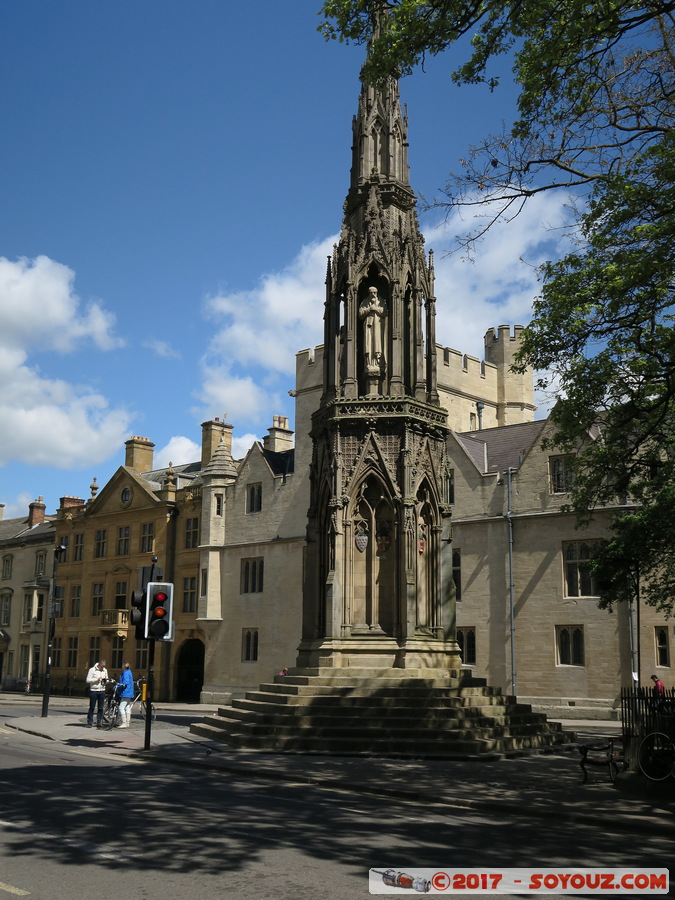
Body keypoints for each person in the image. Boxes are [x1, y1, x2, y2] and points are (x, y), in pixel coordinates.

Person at [86, 659, 108, 728]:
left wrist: (106, 681)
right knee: (92, 707)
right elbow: (88, 680)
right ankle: (90, 722)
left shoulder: (105, 670)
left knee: (101, 708)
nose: (103, 668)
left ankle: (99, 722)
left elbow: (107, 679)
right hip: (94, 690)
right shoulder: (92, 670)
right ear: (99, 664)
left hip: (102, 690)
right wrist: (96, 679)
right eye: (102, 666)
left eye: (104, 666)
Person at [116, 662, 135, 728]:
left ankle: (124, 723)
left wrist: (117, 687)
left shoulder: (126, 673)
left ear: (124, 667)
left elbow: (125, 683)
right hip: (129, 692)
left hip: (125, 692)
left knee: (121, 707)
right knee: (127, 707)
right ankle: (127, 722)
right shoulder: (129, 672)